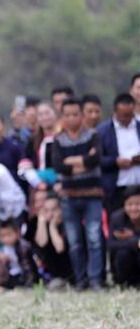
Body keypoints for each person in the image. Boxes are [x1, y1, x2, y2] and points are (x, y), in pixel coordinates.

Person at [51, 98, 105, 290]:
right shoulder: (57, 141)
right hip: (69, 197)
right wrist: (83, 161)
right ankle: (81, 280)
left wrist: (71, 162)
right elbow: (58, 166)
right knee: (74, 242)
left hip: (92, 196)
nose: (72, 118)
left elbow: (95, 159)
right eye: (67, 115)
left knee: (94, 239)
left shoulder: (93, 135)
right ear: (62, 117)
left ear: (82, 116)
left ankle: (96, 280)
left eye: (76, 114)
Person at [97, 93, 140, 212]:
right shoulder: (103, 131)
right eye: (123, 116)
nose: (126, 119)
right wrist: (114, 161)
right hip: (116, 188)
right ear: (115, 111)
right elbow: (97, 159)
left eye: (129, 115)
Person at [31, 195, 71, 289]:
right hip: (51, 275)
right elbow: (41, 243)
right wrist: (41, 220)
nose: (50, 213)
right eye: (46, 210)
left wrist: (53, 227)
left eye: (53, 210)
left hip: (67, 273)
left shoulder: (67, 226)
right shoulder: (41, 225)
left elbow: (59, 248)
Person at [108, 186, 140, 287]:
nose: (134, 208)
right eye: (129, 204)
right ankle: (123, 283)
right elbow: (111, 245)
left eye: (138, 204)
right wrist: (135, 242)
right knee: (123, 254)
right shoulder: (117, 218)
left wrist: (133, 236)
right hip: (125, 263)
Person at [0, 219, 36, 289]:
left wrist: (30, 284)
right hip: (12, 275)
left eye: (9, 235)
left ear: (17, 233)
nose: (6, 239)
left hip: (24, 275)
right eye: (3, 236)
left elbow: (28, 268)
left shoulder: (23, 247)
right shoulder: (2, 248)